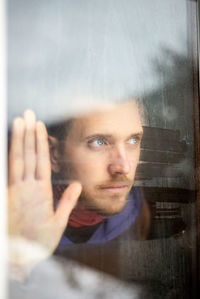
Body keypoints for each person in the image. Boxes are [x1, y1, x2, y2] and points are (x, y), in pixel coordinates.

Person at [8, 99, 150, 281]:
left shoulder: (137, 213)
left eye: (133, 140)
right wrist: (17, 262)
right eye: (99, 142)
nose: (124, 167)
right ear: (54, 154)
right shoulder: (16, 222)